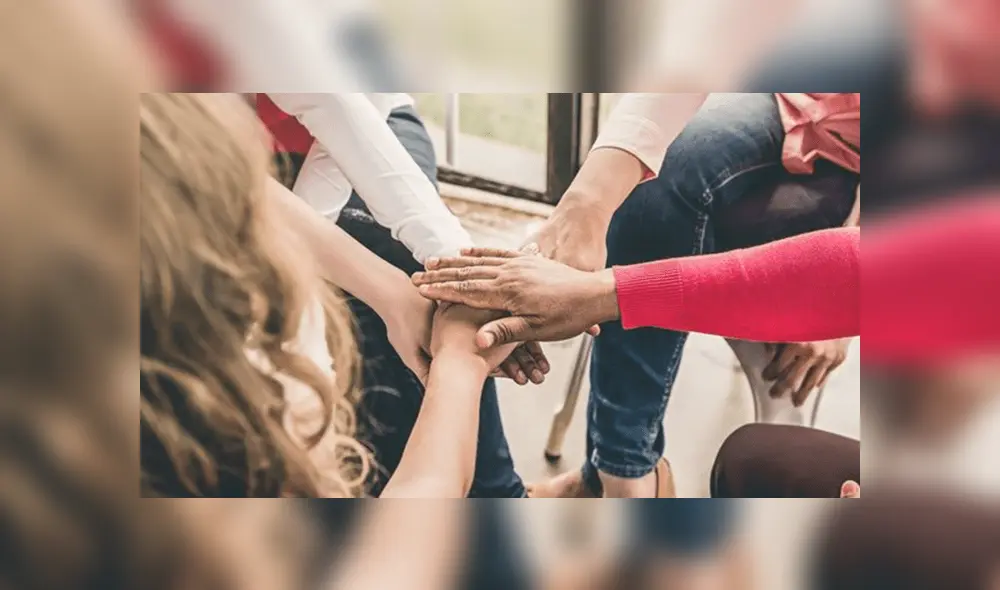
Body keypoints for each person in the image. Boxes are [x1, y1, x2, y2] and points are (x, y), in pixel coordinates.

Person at [417, 92, 860, 497]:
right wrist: (586, 203)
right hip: (798, 99)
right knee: (649, 178)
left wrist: (845, 303)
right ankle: (623, 473)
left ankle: (616, 478)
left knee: (748, 457)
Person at [139, 92, 518, 499]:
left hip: (353, 122)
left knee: (408, 267)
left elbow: (335, 106)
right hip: (198, 167)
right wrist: (460, 359)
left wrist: (453, 275)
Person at [255, 93, 538, 497]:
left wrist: (463, 276)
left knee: (419, 273)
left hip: (368, 116)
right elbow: (206, 165)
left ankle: (497, 494)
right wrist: (456, 354)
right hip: (208, 162)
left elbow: (335, 103)